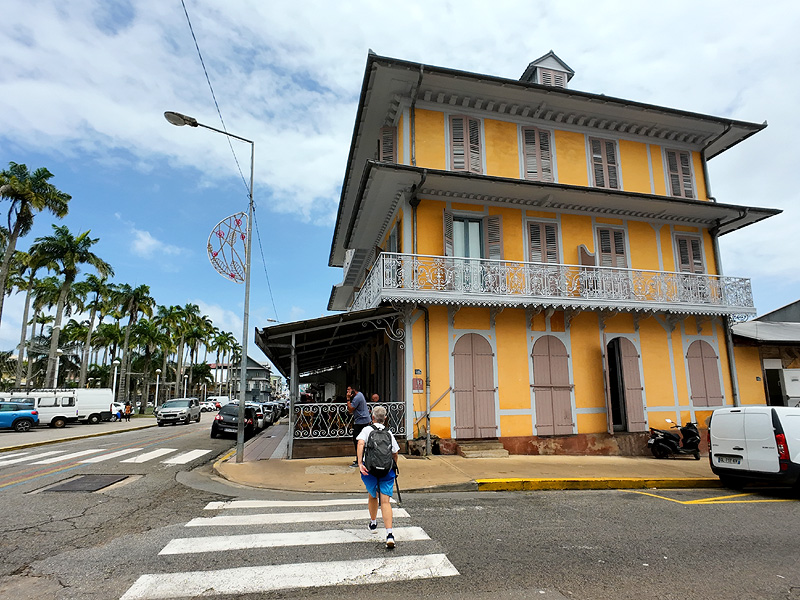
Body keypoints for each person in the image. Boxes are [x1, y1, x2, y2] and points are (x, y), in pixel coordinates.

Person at [356, 404, 399, 548]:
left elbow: (360, 443)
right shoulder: (389, 432)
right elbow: (395, 452)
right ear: (385, 418)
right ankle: (389, 534)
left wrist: (360, 463)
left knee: (372, 496)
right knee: (385, 502)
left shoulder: (367, 430)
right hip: (386, 470)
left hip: (369, 470)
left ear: (372, 417)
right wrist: (393, 466)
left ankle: (373, 523)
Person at [346, 385, 371, 467]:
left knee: (357, 440)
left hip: (361, 421)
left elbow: (350, 409)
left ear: (353, 390)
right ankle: (361, 459)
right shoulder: (359, 395)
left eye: (349, 390)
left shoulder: (357, 397)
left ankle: (359, 461)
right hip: (362, 420)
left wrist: (348, 399)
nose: (348, 392)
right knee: (360, 440)